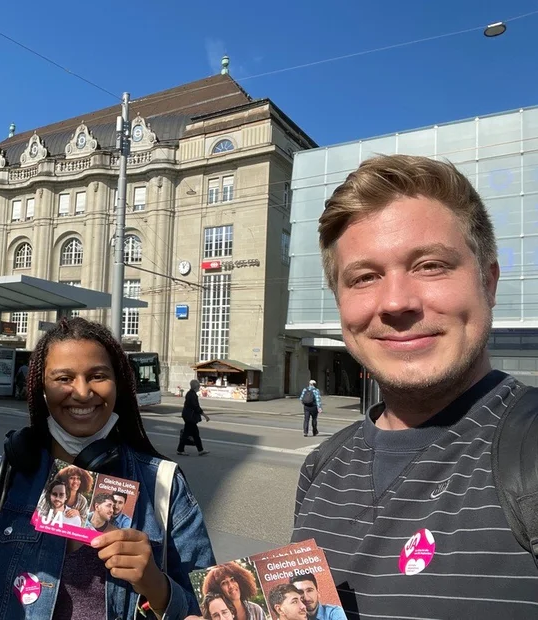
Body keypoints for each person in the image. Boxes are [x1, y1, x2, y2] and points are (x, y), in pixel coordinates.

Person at [291, 155, 538, 617]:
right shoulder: (321, 467)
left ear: (488, 281)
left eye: (429, 265)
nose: (396, 302)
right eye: (365, 277)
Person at [0, 317, 216, 619]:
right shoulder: (1, 480)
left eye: (97, 376)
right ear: (42, 390)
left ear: (118, 385)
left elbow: (209, 608)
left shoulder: (163, 485)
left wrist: (156, 587)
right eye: (64, 378)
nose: (82, 392)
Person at [202, 561, 268, 620]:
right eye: (224, 583)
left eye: (232, 580)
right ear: (217, 589)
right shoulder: (220, 617)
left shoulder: (256, 610)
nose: (231, 586)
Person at [177, 379, 210, 456]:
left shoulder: (190, 393)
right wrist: (205, 415)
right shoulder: (192, 395)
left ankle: (200, 450)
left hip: (188, 416)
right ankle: (180, 450)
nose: (199, 387)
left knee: (194, 434)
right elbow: (196, 407)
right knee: (189, 434)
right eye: (199, 386)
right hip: (190, 417)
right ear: (196, 386)